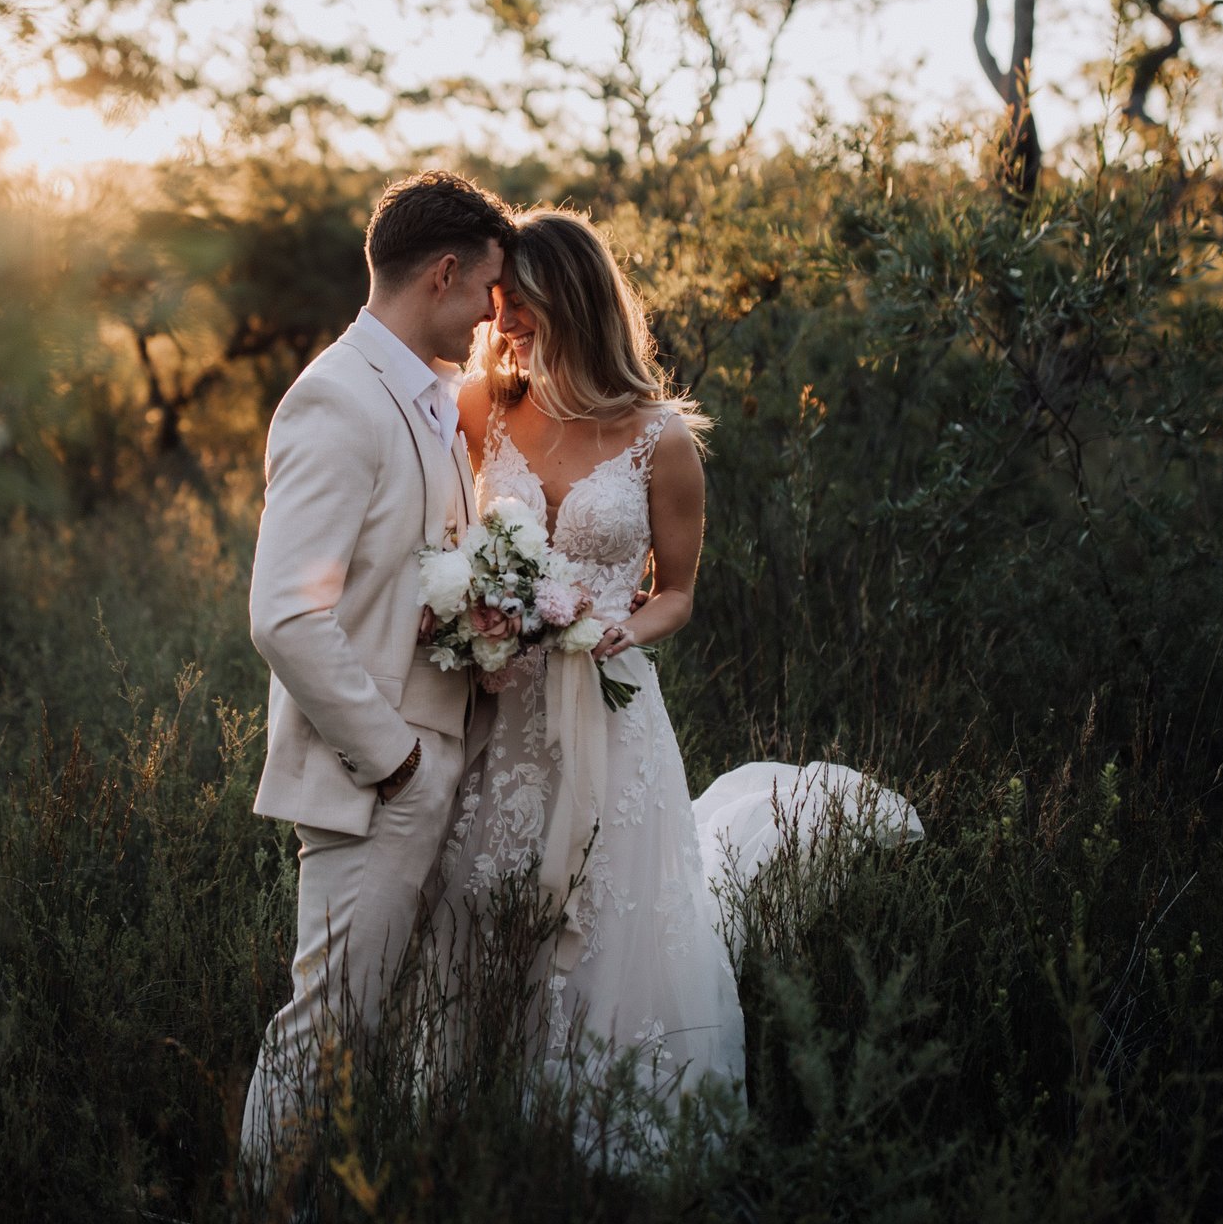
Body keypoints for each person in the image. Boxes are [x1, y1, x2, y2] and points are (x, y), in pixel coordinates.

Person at [432, 208, 923, 1123]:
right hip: (498, 709)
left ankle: (613, 1125)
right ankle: (492, 1121)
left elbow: (677, 591)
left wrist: (623, 628)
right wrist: (472, 609)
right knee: (486, 896)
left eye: (521, 303)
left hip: (610, 708)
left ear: (573, 299)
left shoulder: (663, 439)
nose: (503, 323)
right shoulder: (479, 408)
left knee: (611, 913)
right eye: (497, 304)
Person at [239, 168, 516, 1161]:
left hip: (439, 756)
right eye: (488, 290)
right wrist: (394, 761)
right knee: (324, 1032)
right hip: (376, 779)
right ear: (442, 273)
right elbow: (286, 615)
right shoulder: (336, 400)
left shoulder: (432, 396)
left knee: (416, 1034)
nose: (494, 313)